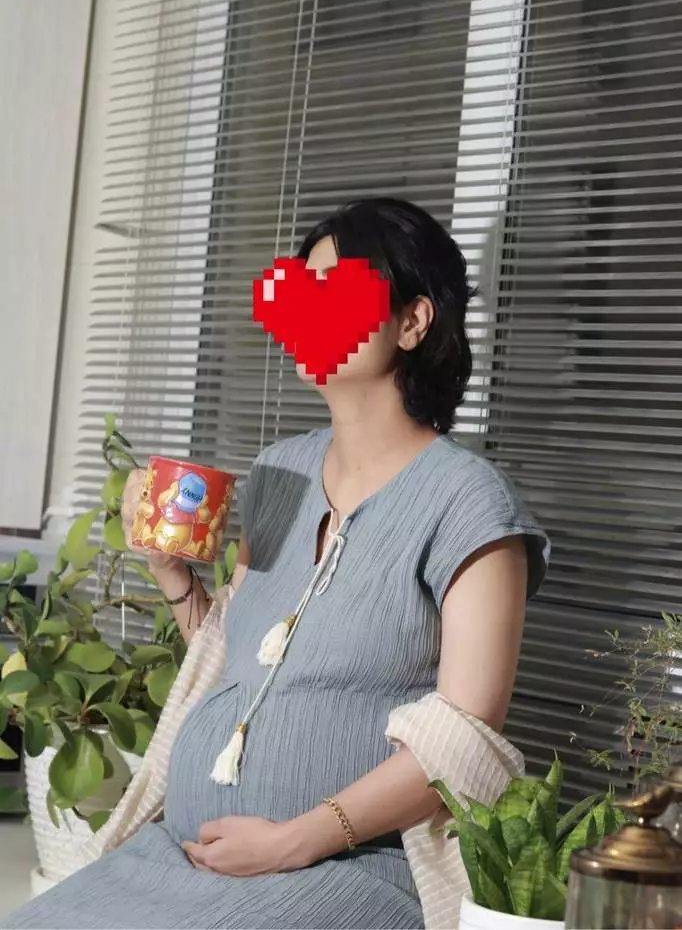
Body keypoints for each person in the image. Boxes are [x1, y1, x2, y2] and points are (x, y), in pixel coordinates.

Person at [4, 198, 549, 930]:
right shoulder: (278, 473)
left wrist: (294, 840)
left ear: (413, 321)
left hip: (350, 870)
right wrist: (171, 574)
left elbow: (464, 740)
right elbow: (239, 664)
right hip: (185, 853)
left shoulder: (470, 504)